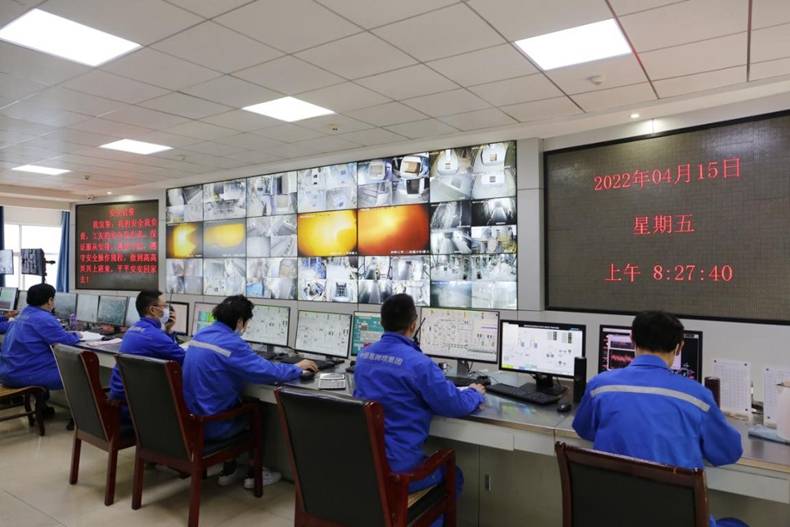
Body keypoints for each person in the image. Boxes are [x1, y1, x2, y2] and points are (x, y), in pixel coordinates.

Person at [573, 311, 747, 527]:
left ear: (632, 340)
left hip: (610, 516)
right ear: (679, 347)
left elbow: (584, 430)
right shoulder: (698, 397)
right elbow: (729, 453)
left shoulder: (599, 386)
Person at [353, 294, 485, 524]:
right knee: (454, 475)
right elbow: (454, 404)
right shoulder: (419, 364)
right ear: (413, 325)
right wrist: (475, 392)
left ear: (382, 322)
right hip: (399, 471)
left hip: (366, 465)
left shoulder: (363, 357)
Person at [182, 295, 317, 488]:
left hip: (191, 420)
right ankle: (255, 473)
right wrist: (297, 367)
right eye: (247, 322)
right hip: (215, 425)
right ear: (240, 321)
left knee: (242, 402)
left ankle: (230, 468)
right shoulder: (232, 343)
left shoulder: (201, 335)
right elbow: (267, 372)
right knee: (258, 409)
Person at [109, 289, 185, 426]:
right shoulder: (154, 336)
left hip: (122, 400)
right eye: (165, 306)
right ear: (153, 310)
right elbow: (184, 358)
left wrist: (167, 330)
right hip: (136, 407)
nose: (168, 310)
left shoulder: (133, 329)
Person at [0, 284, 80, 390]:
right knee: (78, 374)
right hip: (24, 375)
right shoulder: (44, 318)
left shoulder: (22, 315)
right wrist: (77, 335)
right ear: (50, 300)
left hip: (7, 372)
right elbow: (65, 341)